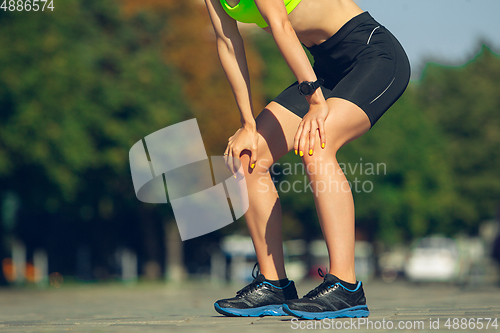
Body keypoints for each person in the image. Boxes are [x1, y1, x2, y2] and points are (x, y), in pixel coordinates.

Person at [204, 0, 410, 319]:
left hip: (372, 55)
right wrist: (247, 124)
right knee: (247, 156)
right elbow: (227, 43)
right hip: (323, 67)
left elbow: (281, 25)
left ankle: (346, 286)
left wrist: (315, 100)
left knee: (315, 145)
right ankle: (274, 284)